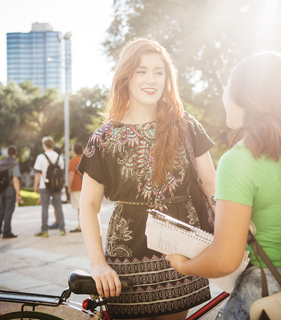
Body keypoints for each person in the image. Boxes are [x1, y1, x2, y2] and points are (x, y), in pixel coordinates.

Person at [78, 38, 216, 320]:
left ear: (168, 78)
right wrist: (98, 265)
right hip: (126, 258)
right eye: (141, 71)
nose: (151, 79)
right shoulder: (103, 138)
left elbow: (213, 186)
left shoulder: (186, 126)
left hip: (181, 257)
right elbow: (88, 206)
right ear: (126, 77)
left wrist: (234, 234)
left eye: (158, 71)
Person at [166, 51, 281, 319]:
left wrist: (184, 265)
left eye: (227, 87)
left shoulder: (240, 159)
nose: (223, 96)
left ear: (243, 97)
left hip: (263, 292)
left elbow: (225, 259)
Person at [33, 136, 66, 237]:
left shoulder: (41, 157)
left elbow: (38, 173)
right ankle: (62, 229)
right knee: (58, 207)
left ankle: (44, 230)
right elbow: (62, 172)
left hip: (44, 186)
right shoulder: (59, 157)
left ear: (44, 145)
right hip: (57, 186)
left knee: (45, 208)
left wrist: (35, 186)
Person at [0, 145, 21, 239]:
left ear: (7, 153)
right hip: (9, 189)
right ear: (16, 153)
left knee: (1, 210)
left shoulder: (1, 163)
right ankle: (6, 232)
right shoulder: (14, 164)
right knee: (9, 210)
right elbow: (15, 179)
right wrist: (18, 193)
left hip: (0, 189)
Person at [68, 142, 83, 233]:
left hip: (77, 186)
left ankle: (80, 226)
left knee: (79, 207)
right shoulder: (86, 158)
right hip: (86, 186)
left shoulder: (74, 160)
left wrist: (69, 187)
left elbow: (71, 174)